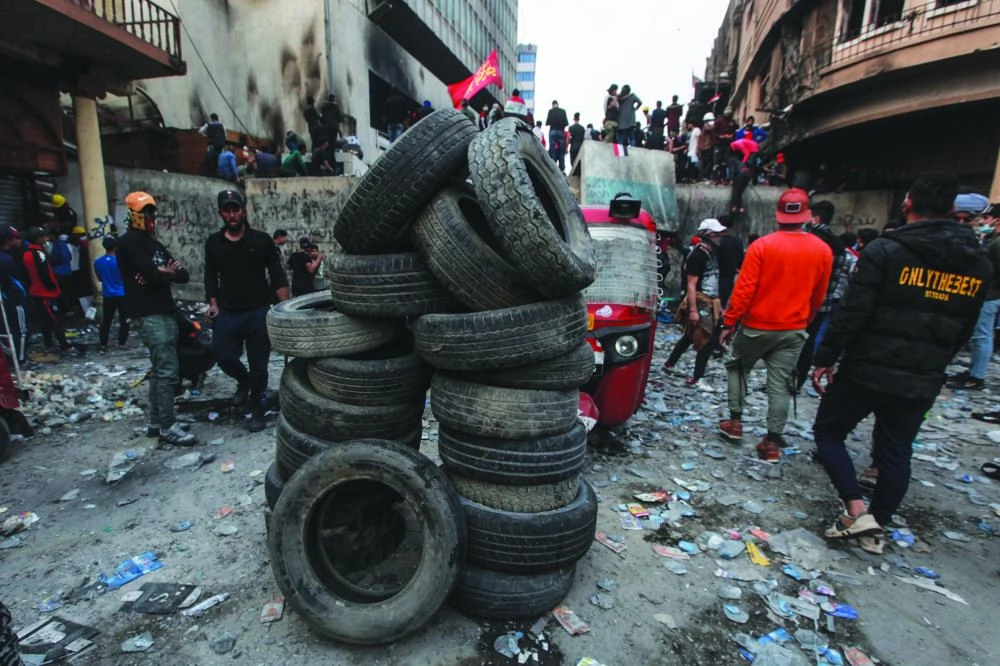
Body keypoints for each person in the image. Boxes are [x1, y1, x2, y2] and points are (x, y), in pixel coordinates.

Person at [811, 172, 991, 554]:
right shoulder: (977, 262)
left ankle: (856, 510)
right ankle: (876, 526)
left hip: (866, 368)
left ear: (907, 202)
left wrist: (825, 358)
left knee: (828, 432)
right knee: (896, 452)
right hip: (922, 376)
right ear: (952, 209)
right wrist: (936, 362)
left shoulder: (885, 250)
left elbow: (853, 312)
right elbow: (966, 327)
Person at [718, 188, 833, 462]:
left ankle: (735, 423)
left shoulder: (762, 246)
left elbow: (744, 290)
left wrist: (729, 322)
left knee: (738, 368)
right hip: (793, 328)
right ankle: (771, 443)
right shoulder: (823, 250)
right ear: (807, 215)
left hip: (756, 326)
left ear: (778, 215)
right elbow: (818, 296)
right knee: (780, 385)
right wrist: (805, 321)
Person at [116, 191, 197, 446]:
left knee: (160, 370)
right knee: (167, 371)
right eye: (145, 213)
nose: (150, 217)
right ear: (133, 215)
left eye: (151, 212)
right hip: (148, 313)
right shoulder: (129, 243)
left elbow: (182, 275)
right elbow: (151, 276)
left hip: (164, 311)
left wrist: (161, 272)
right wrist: (161, 272)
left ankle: (157, 421)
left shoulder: (155, 245)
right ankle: (167, 425)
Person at [204, 189, 289, 432]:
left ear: (244, 210)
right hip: (227, 312)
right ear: (220, 213)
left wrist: (285, 309)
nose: (232, 215)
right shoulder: (213, 243)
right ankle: (244, 381)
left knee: (259, 365)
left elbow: (277, 275)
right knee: (223, 356)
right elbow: (210, 275)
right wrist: (213, 303)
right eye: (227, 210)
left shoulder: (261, 241)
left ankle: (258, 409)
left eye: (236, 209)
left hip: (257, 311)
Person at [795, 200, 854, 391]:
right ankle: (798, 382)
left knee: (790, 342)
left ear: (815, 218)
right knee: (808, 342)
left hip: (802, 302)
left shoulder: (809, 240)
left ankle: (783, 380)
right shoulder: (839, 246)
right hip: (824, 303)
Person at [662, 218, 726, 388]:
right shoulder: (697, 255)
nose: (720, 237)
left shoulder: (711, 253)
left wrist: (718, 305)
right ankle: (698, 377)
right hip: (700, 301)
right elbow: (691, 284)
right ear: (707, 235)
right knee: (707, 338)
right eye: (716, 234)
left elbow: (713, 280)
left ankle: (670, 363)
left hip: (710, 300)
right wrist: (693, 310)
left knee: (690, 335)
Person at [947, 192, 995, 390]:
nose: (962, 224)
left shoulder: (990, 243)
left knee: (981, 335)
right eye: (956, 219)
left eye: (968, 219)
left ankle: (977, 376)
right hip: (976, 294)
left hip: (987, 296)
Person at [23, 227, 75, 360]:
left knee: (46, 322)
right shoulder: (38, 253)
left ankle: (49, 345)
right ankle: (64, 346)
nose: (46, 239)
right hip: (45, 293)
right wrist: (52, 287)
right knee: (55, 320)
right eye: (43, 237)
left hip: (38, 292)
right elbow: (44, 274)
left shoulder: (27, 253)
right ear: (38, 238)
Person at [94, 236, 129, 352]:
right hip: (122, 293)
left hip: (108, 294)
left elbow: (100, 278)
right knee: (124, 319)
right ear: (115, 247)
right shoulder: (120, 261)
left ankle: (103, 344)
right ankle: (122, 342)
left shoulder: (98, 262)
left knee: (106, 320)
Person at [0, 225, 28, 366]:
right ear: (8, 241)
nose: (19, 241)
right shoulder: (6, 259)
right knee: (21, 331)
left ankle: (13, 358)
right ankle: (20, 360)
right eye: (16, 238)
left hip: (8, 299)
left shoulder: (7, 256)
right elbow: (8, 282)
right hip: (14, 300)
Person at [545, 100, 569, 170]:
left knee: (552, 150)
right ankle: (561, 168)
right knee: (561, 151)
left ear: (552, 105)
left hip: (552, 132)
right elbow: (566, 123)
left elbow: (547, 123)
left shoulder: (550, 111)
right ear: (558, 104)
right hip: (561, 132)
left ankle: (553, 168)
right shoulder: (563, 111)